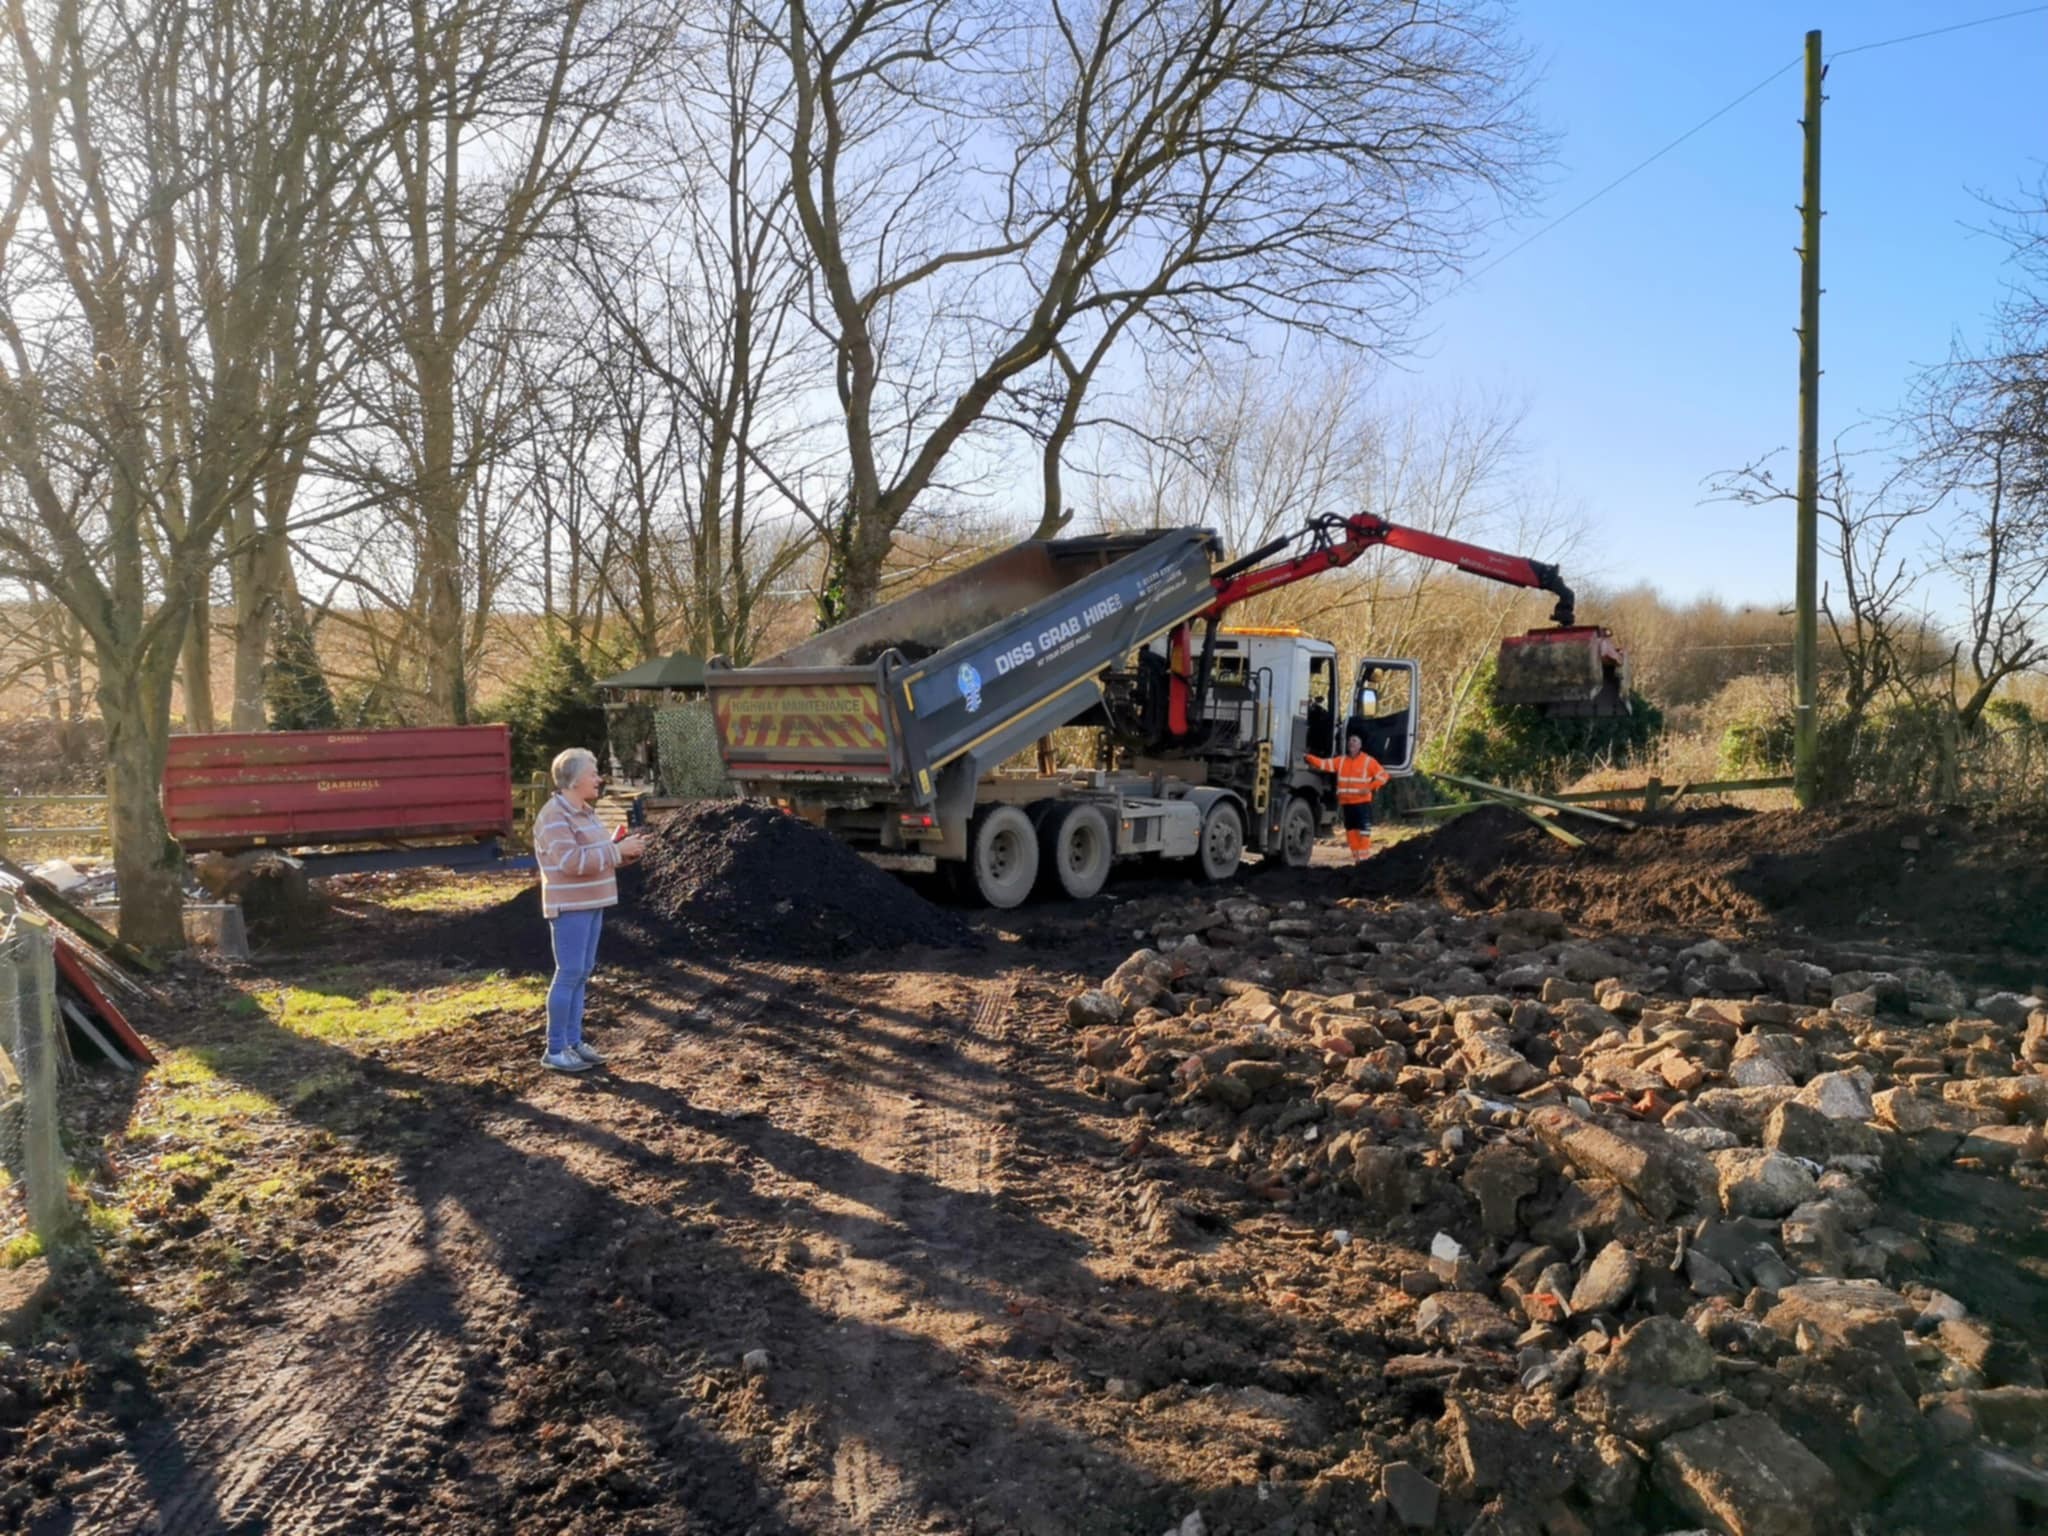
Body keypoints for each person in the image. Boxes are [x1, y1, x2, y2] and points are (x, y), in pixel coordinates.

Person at [533, 747, 645, 1072]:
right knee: (568, 974)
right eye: (593, 772)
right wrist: (615, 851)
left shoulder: (585, 811)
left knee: (581, 974)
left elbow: (596, 857)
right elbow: (570, 863)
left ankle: (574, 1042)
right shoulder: (554, 816)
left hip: (592, 902)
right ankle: (555, 1050)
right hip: (569, 906)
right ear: (573, 778)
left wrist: (623, 855)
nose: (599, 778)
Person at [1304, 732, 1391, 864]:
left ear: (1360, 745)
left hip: (1362, 804)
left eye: (1355, 741)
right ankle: (1358, 859)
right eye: (1350, 741)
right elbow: (1324, 764)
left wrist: (1370, 787)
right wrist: (1308, 757)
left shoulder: (1368, 761)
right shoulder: (1341, 761)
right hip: (1347, 804)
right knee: (1351, 832)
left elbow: (1383, 776)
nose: (1352, 743)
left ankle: (1364, 859)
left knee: (1363, 832)